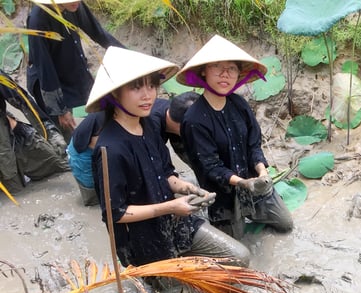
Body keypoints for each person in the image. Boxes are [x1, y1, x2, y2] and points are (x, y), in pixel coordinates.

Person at [85, 46, 251, 269]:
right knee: (177, 290)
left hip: (175, 221)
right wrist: (170, 207)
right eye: (136, 88)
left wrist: (186, 188)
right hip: (144, 242)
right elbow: (117, 213)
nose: (148, 95)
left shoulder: (150, 124)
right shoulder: (110, 149)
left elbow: (164, 173)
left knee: (239, 257)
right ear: (115, 93)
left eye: (152, 86)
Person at [176, 35, 294, 240]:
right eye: (217, 67)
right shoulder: (194, 119)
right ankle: (203, 208)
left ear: (238, 73)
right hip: (223, 195)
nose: (225, 74)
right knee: (236, 244)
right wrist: (242, 183)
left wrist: (261, 172)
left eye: (231, 68)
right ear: (204, 71)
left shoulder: (239, 104)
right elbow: (211, 166)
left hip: (253, 182)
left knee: (285, 223)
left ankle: (255, 208)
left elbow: (253, 143)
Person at [68, 92, 198, 207]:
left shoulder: (175, 112)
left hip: (117, 145)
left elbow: (186, 157)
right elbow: (147, 170)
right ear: (183, 125)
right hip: (87, 148)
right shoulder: (149, 124)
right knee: (101, 199)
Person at [26, 0, 124, 140]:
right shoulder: (38, 19)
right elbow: (44, 67)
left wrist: (129, 56)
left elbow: (98, 33)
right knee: (64, 135)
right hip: (48, 84)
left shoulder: (75, 5)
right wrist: (60, 110)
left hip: (72, 69)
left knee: (103, 112)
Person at [0, 70, 70, 195]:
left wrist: (50, 132)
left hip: (12, 137)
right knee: (13, 188)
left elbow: (23, 101)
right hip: (6, 149)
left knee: (59, 166)